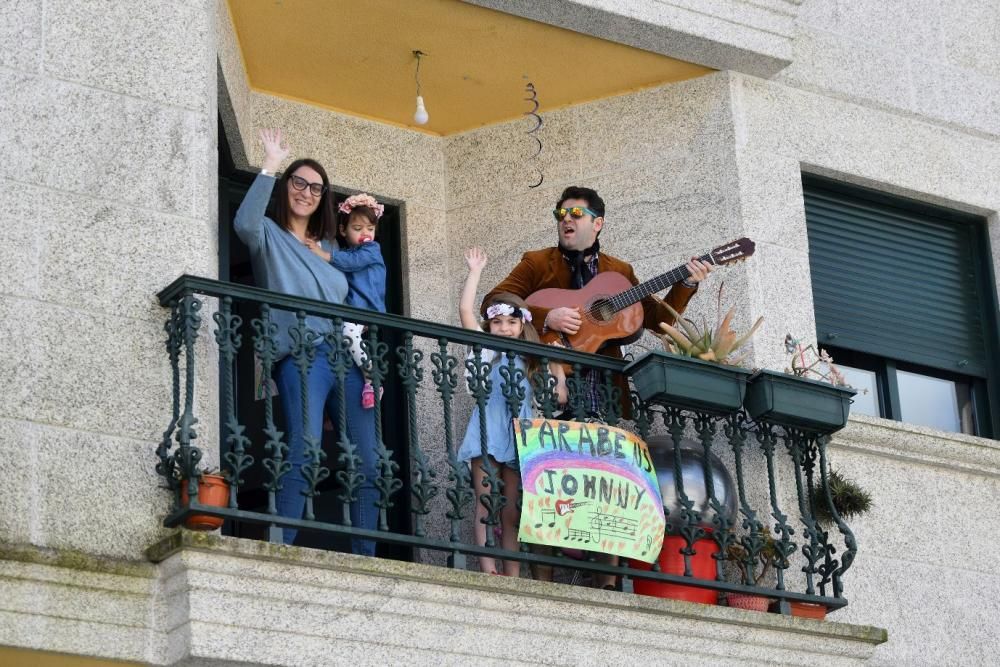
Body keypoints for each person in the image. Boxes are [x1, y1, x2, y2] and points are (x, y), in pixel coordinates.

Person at [482, 185, 713, 587]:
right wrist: (545, 315)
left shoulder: (618, 272)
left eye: (575, 213)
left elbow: (660, 319)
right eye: (560, 213)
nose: (565, 219)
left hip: (602, 385)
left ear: (597, 222)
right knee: (548, 477)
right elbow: (494, 300)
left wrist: (687, 284)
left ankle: (606, 576)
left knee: (606, 476)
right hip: (551, 383)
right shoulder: (538, 262)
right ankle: (544, 573)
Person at [234, 128, 378, 554]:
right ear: (286, 187)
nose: (306, 192)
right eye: (298, 182)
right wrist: (271, 163)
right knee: (307, 448)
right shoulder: (267, 235)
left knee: (369, 462)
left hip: (346, 360)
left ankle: (367, 557)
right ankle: (279, 546)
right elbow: (243, 222)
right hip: (301, 354)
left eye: (316, 187)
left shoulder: (330, 246)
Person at [458, 247, 568, 576]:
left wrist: (559, 372)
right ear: (489, 327)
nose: (504, 328)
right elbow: (465, 311)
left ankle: (513, 572)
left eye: (511, 322)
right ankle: (488, 565)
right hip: (488, 431)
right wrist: (475, 271)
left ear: (522, 326)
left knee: (511, 510)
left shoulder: (532, 359)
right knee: (486, 501)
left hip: (520, 438)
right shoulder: (487, 350)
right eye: (497, 322)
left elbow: (557, 396)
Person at [305, 192, 387, 409]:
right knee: (347, 335)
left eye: (370, 229)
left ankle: (372, 378)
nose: (365, 234)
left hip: (368, 308)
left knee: (348, 333)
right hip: (355, 309)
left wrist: (322, 254)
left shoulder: (371, 249)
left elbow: (352, 262)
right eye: (357, 229)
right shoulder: (348, 252)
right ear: (343, 230)